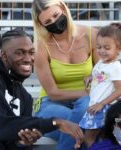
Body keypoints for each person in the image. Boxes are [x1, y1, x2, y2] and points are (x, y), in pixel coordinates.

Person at [0, 28, 84, 150]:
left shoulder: (25, 97)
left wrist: (23, 141)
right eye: (19, 53)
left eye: (31, 52)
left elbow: (12, 141)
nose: (27, 58)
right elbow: (2, 126)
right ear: (4, 55)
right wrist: (55, 122)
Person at [32, 0, 98, 149]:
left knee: (84, 108)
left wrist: (96, 81)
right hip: (50, 104)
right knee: (83, 124)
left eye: (56, 15)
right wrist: (88, 91)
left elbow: (103, 74)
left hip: (85, 103)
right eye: (48, 21)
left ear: (63, 8)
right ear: (42, 25)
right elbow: (53, 93)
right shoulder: (41, 46)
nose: (54, 22)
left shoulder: (91, 35)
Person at [79, 24, 121, 148]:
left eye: (107, 48)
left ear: (118, 48)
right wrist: (90, 78)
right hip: (95, 105)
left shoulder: (115, 67)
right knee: (100, 137)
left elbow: (119, 90)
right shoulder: (101, 63)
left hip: (104, 108)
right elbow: (100, 76)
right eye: (99, 47)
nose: (102, 51)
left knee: (89, 137)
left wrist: (101, 104)